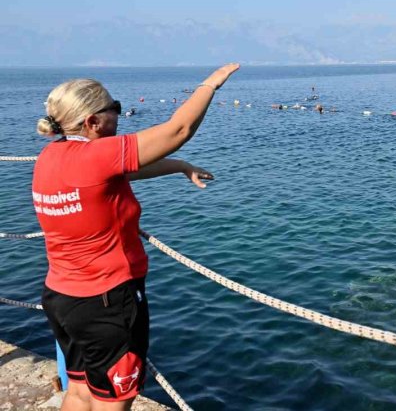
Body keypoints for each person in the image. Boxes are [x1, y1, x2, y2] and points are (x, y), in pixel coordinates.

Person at [32, 63, 240, 410]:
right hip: (106, 303)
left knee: (80, 391)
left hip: (62, 298)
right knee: (114, 402)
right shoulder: (96, 156)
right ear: (92, 122)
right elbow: (178, 129)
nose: (118, 114)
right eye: (113, 108)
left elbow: (118, 176)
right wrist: (209, 85)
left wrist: (179, 166)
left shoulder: (51, 156)